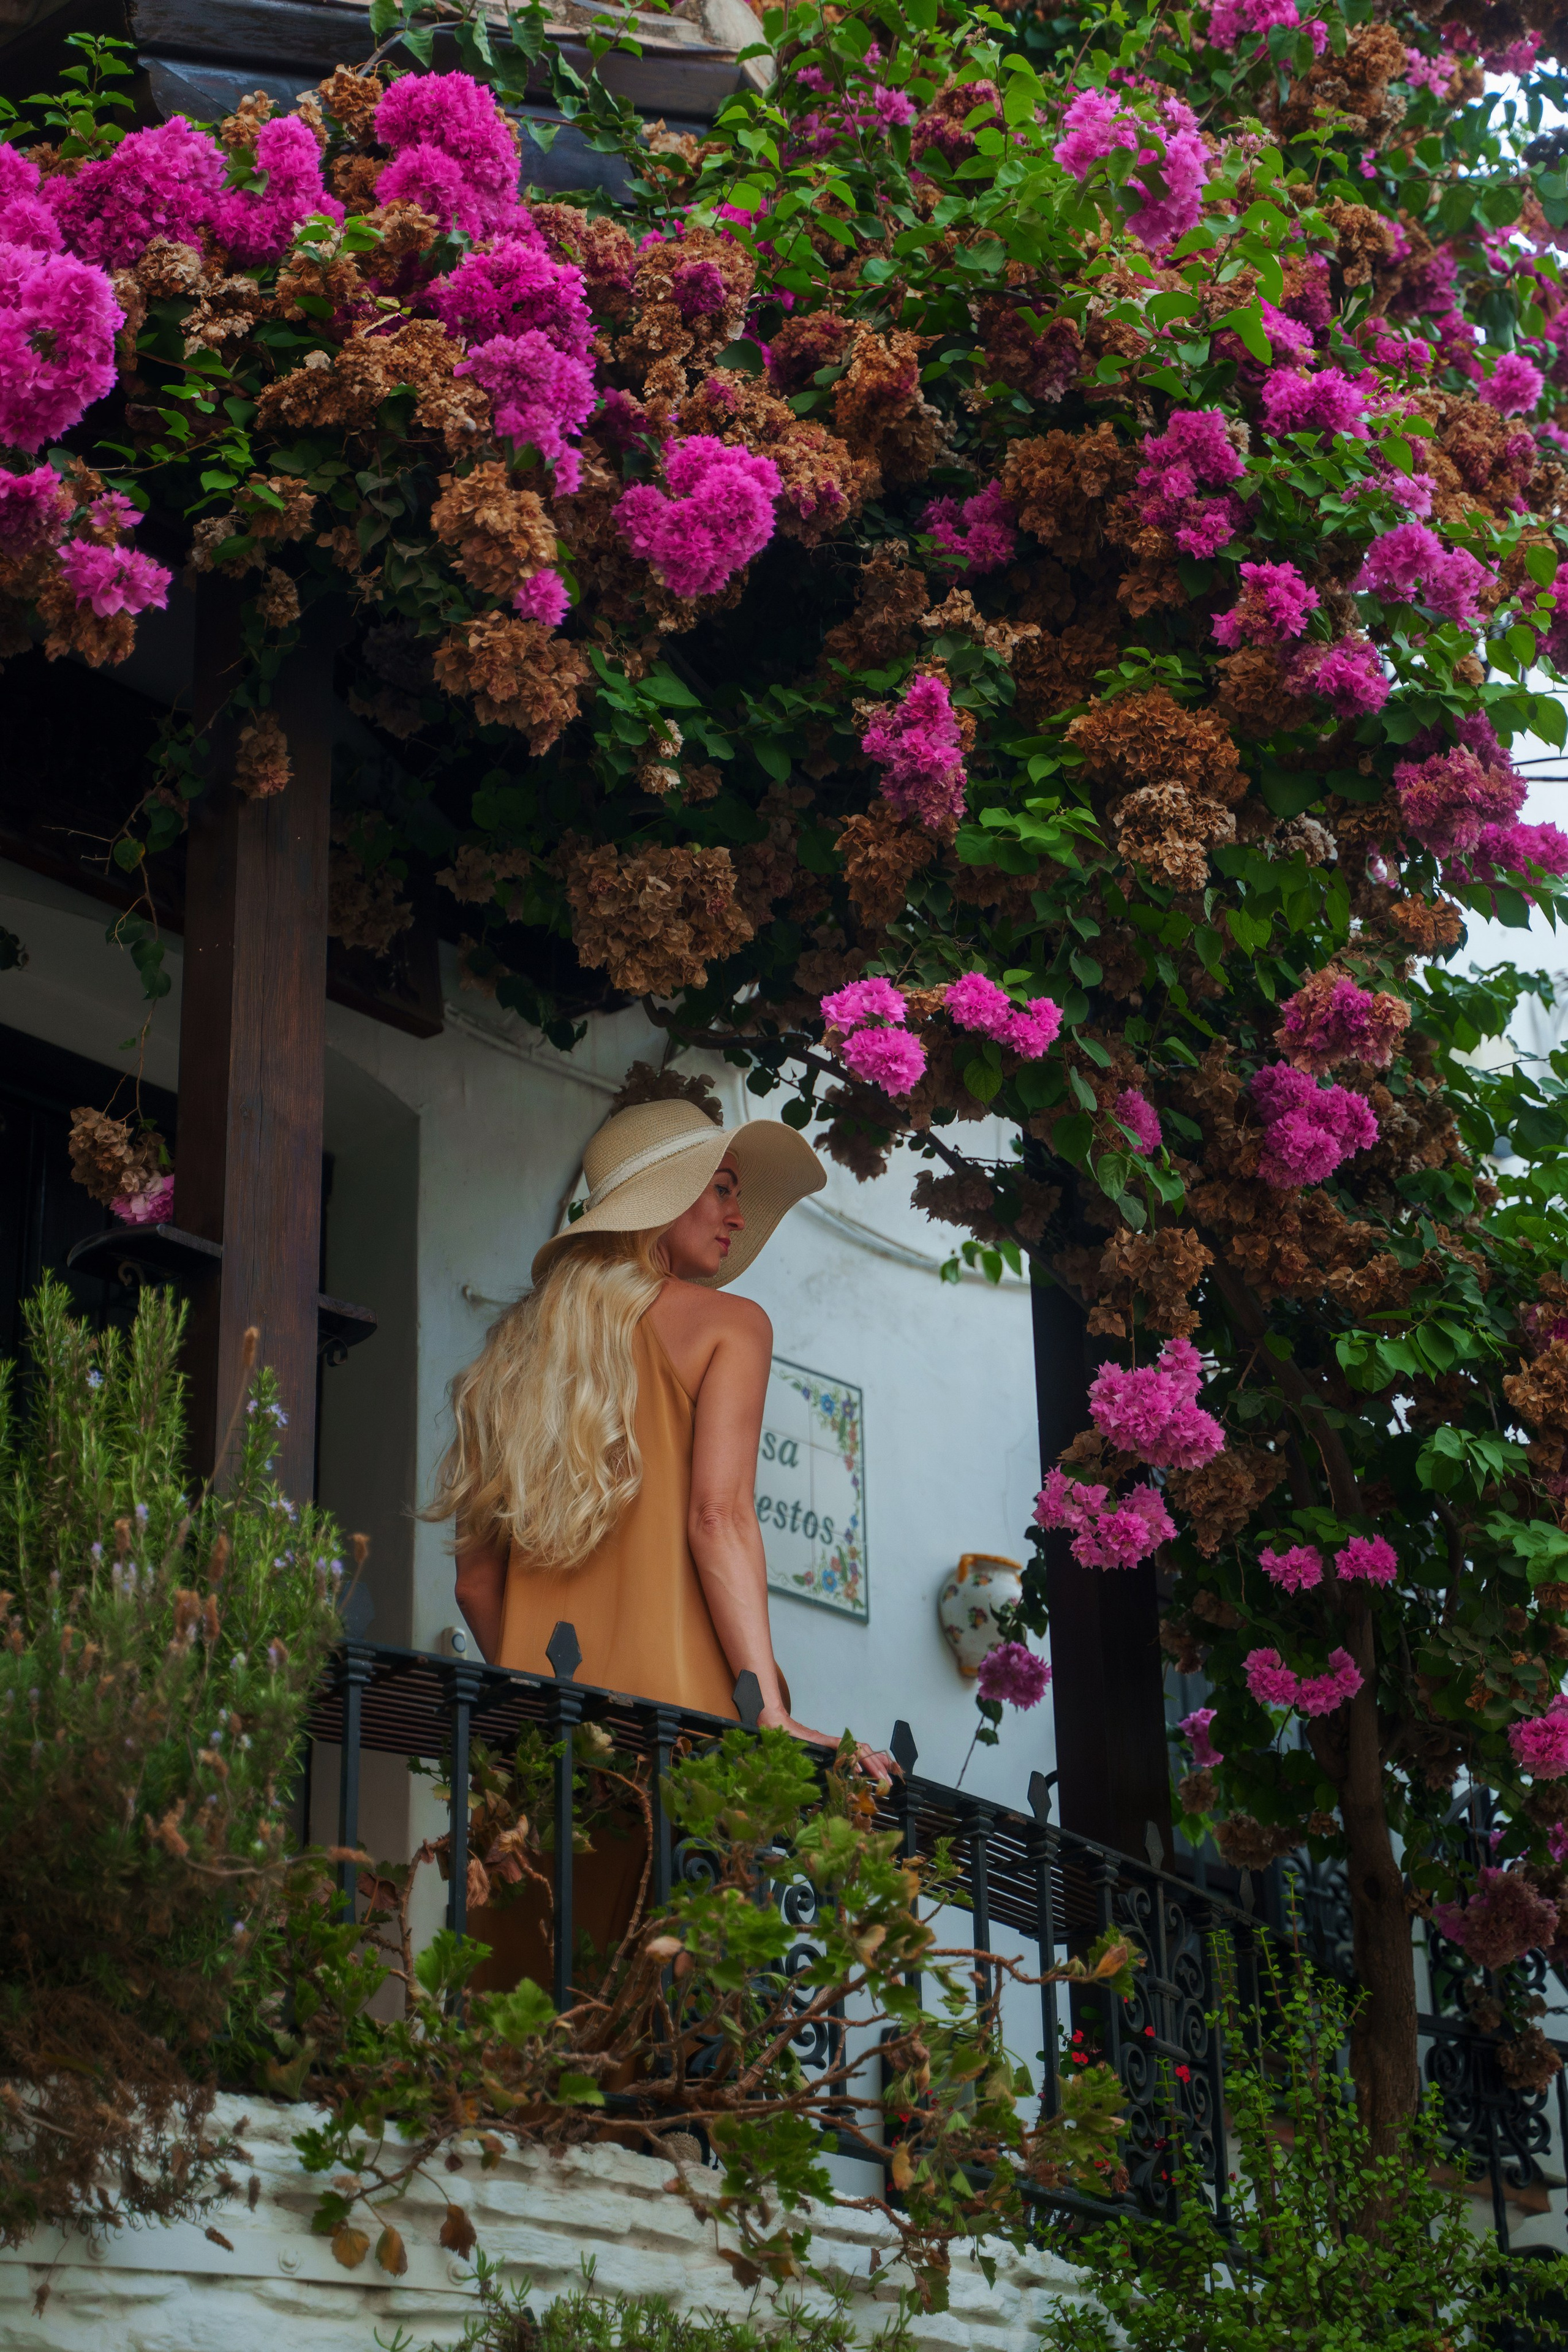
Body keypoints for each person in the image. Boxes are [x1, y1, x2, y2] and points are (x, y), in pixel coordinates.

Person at [429, 1095, 895, 1779]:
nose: (738, 1217)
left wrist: (538, 1697)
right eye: (723, 1189)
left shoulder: (505, 1361)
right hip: (680, 1725)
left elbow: (474, 1586)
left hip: (545, 1745)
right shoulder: (731, 1325)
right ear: (665, 1197)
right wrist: (769, 1709)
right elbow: (719, 1517)